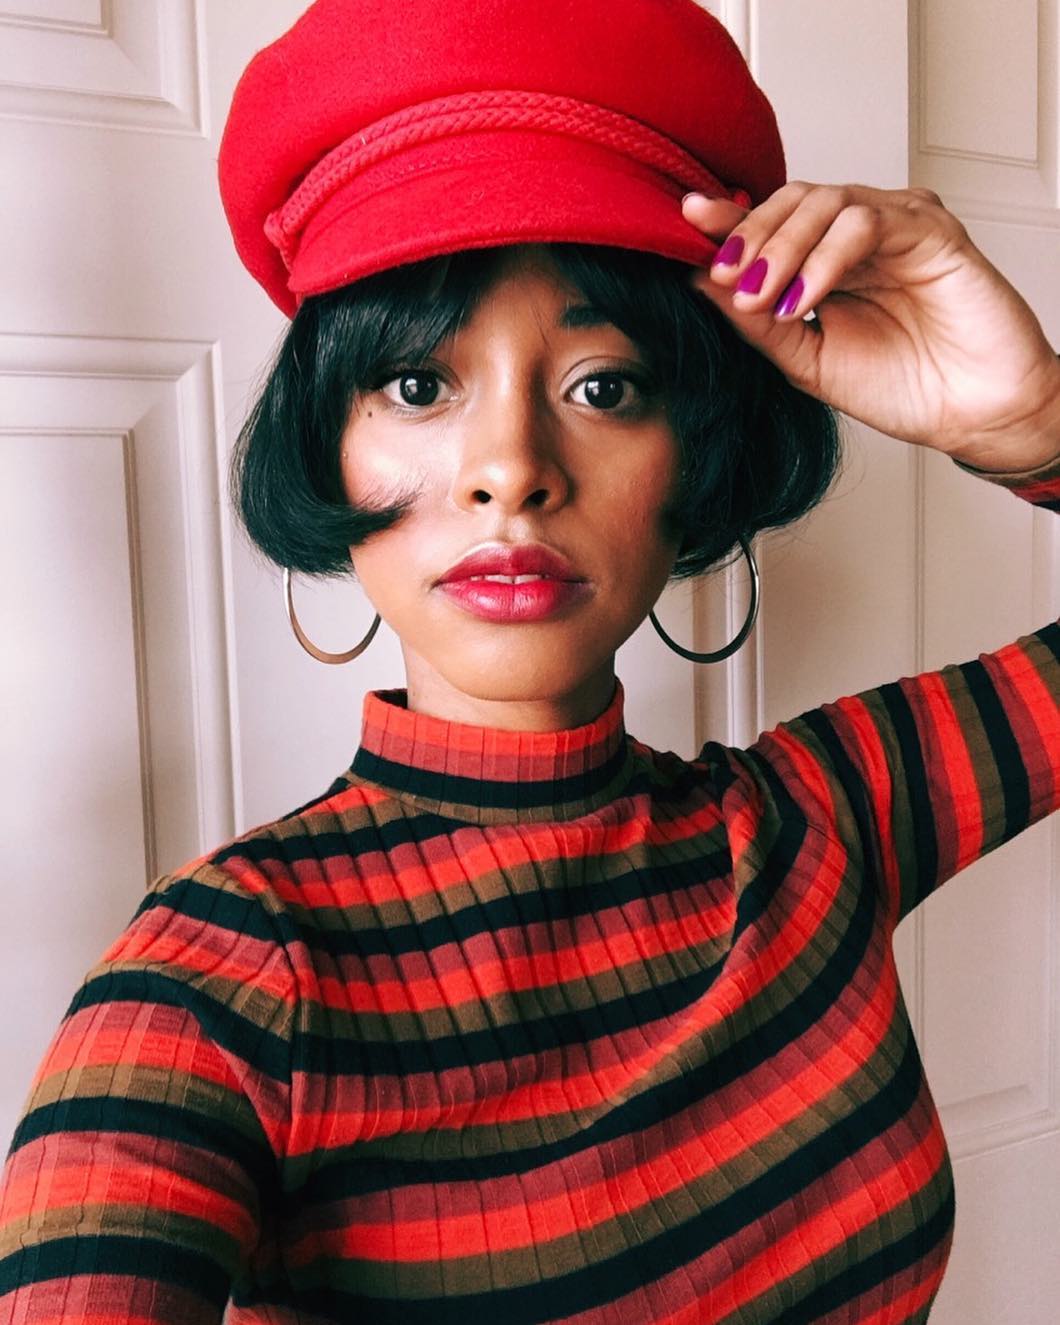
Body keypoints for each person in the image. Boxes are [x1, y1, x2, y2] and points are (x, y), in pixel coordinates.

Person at [1, 0, 1058, 1321]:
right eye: (417, 384)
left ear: (692, 461)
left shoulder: (821, 824)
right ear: (326, 447)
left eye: (603, 385)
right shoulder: (214, 988)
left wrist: (1035, 420)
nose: (511, 469)